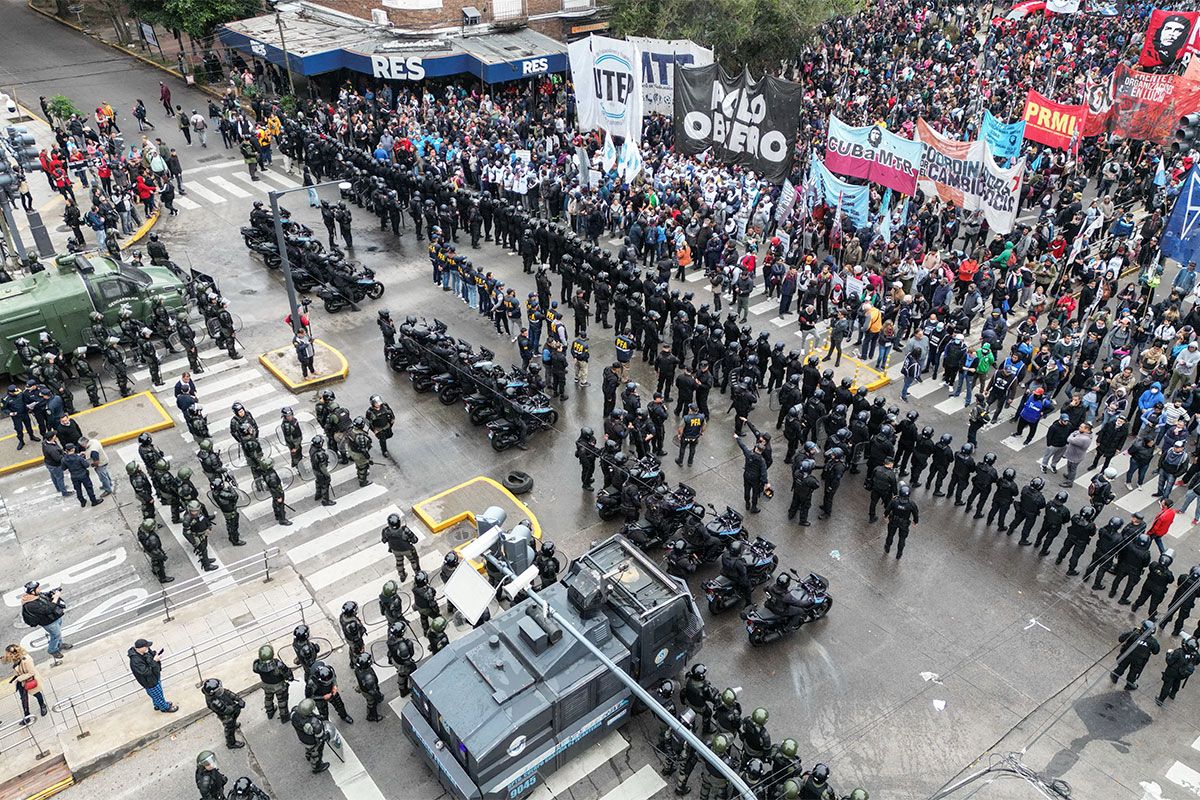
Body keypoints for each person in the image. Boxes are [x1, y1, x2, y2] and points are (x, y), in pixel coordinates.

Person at [128, 638, 177, 712]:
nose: (148, 648)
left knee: (157, 694)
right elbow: (146, 672)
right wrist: (154, 661)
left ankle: (157, 705)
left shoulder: (144, 652)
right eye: (146, 647)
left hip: (154, 677)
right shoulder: (135, 661)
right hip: (149, 682)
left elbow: (150, 659)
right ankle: (165, 708)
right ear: (141, 648)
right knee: (157, 695)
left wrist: (155, 655)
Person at [1111, 620, 1160, 691]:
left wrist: (1132, 632)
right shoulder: (1153, 642)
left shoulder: (1134, 634)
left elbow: (1121, 638)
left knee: (1121, 667)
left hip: (1127, 655)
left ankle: (1114, 677)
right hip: (1139, 660)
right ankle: (1129, 685)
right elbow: (1156, 651)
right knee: (1133, 673)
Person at [3, 644, 47, 723]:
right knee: (23, 699)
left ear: (13, 653)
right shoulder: (15, 658)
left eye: (8, 654)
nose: (7, 656)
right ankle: (27, 716)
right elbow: (5, 661)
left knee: (36, 693)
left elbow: (31, 672)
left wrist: (19, 678)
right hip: (21, 681)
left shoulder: (26, 660)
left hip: (30, 679)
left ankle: (42, 705)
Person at [201, 677, 246, 749]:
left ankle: (234, 724)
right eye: (218, 690)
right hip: (226, 716)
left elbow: (227, 692)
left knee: (233, 720)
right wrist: (237, 706)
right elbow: (226, 710)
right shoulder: (213, 702)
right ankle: (231, 743)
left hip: (230, 707)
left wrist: (238, 699)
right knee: (229, 728)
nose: (221, 690)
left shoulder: (218, 692)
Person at [1156, 639, 1199, 707]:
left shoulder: (1179, 652)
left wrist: (1168, 654)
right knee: (1177, 683)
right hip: (1182, 674)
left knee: (1167, 686)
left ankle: (1160, 700)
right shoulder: (1194, 655)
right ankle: (1172, 694)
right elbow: (1197, 662)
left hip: (1172, 672)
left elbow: (1169, 661)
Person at [61, 442, 102, 507]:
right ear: (73, 449)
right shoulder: (78, 458)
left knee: (78, 490)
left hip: (74, 476)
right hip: (83, 475)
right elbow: (87, 465)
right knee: (89, 488)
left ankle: (82, 501)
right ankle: (93, 501)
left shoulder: (64, 459)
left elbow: (63, 468)